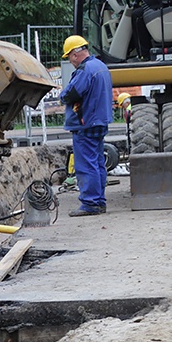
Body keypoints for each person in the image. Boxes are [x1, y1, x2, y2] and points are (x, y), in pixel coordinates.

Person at [59, 35, 112, 216]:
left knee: (86, 164)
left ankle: (90, 203)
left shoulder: (85, 70)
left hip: (85, 123)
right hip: (99, 121)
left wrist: (61, 96)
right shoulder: (101, 66)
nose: (70, 62)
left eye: (69, 57)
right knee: (97, 162)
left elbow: (71, 93)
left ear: (75, 54)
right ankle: (99, 201)